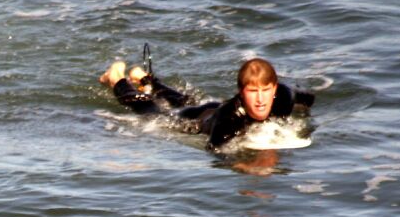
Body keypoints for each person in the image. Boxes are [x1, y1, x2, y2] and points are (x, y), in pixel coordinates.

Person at [99, 56, 315, 149]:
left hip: (210, 106)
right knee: (150, 110)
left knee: (184, 100)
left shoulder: (283, 97)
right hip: (197, 121)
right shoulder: (229, 120)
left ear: (274, 89)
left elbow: (307, 98)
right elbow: (216, 150)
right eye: (252, 91)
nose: (260, 100)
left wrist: (306, 110)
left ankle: (146, 79)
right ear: (241, 92)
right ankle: (116, 78)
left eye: (265, 91)